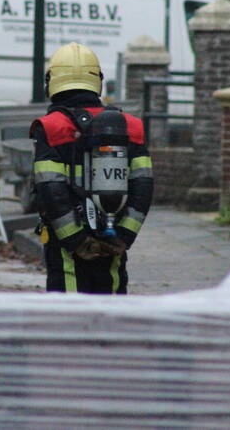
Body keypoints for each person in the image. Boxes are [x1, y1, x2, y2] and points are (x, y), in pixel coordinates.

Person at [30, 42, 153, 294]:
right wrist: (123, 236)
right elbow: (143, 186)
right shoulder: (129, 126)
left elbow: (50, 189)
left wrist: (76, 241)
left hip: (66, 245)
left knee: (69, 313)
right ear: (97, 80)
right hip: (113, 236)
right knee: (111, 304)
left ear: (52, 81)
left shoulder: (51, 127)